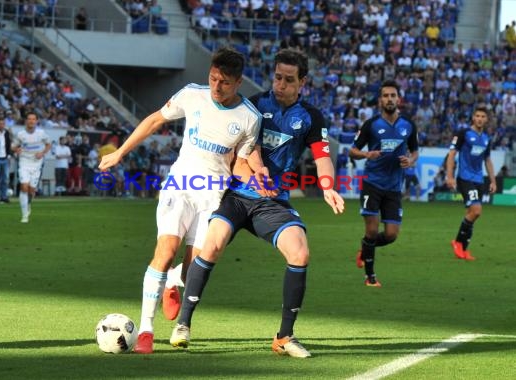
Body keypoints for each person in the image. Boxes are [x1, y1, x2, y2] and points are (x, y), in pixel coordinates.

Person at [169, 49, 345, 358]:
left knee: (300, 253)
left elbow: (322, 158)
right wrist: (253, 177)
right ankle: (183, 324)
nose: (280, 84)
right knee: (212, 245)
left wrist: (328, 187)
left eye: (289, 80)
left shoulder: (311, 118)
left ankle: (284, 337)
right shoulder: (252, 106)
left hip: (272, 203)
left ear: (302, 82)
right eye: (277, 77)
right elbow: (236, 154)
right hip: (236, 195)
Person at [98, 47, 262, 354]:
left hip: (213, 197)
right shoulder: (192, 94)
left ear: (238, 82)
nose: (216, 86)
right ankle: (146, 331)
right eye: (213, 78)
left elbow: (239, 162)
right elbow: (155, 121)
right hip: (180, 186)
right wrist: (120, 153)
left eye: (224, 82)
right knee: (166, 249)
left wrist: (256, 181)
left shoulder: (249, 118)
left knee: (192, 272)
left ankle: (173, 279)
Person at [350, 80, 419, 287]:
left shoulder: (408, 125)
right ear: (380, 100)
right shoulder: (371, 125)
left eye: (393, 95)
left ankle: (365, 248)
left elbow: (415, 150)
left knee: (391, 235)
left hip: (394, 187)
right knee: (371, 230)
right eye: (386, 95)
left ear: (398, 99)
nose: (390, 99)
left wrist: (411, 160)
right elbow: (352, 150)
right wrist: (366, 154)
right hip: (372, 183)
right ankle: (370, 277)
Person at [446, 105, 496, 260]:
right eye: (477, 116)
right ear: (473, 118)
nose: (480, 119)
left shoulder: (486, 138)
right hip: (465, 178)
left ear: (486, 120)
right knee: (476, 211)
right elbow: (452, 154)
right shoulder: (464, 133)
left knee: (472, 215)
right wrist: (449, 176)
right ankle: (457, 242)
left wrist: (492, 180)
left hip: (479, 180)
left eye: (483, 116)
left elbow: (487, 160)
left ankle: (464, 250)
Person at [12, 112, 51, 223]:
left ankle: (28, 203)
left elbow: (48, 144)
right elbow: (13, 146)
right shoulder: (20, 134)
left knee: (31, 190)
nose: (31, 121)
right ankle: (24, 215)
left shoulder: (41, 133)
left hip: (36, 163)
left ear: (36, 121)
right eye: (29, 119)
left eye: (33, 119)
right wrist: (16, 149)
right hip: (24, 162)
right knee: (24, 187)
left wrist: (42, 153)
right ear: (26, 121)